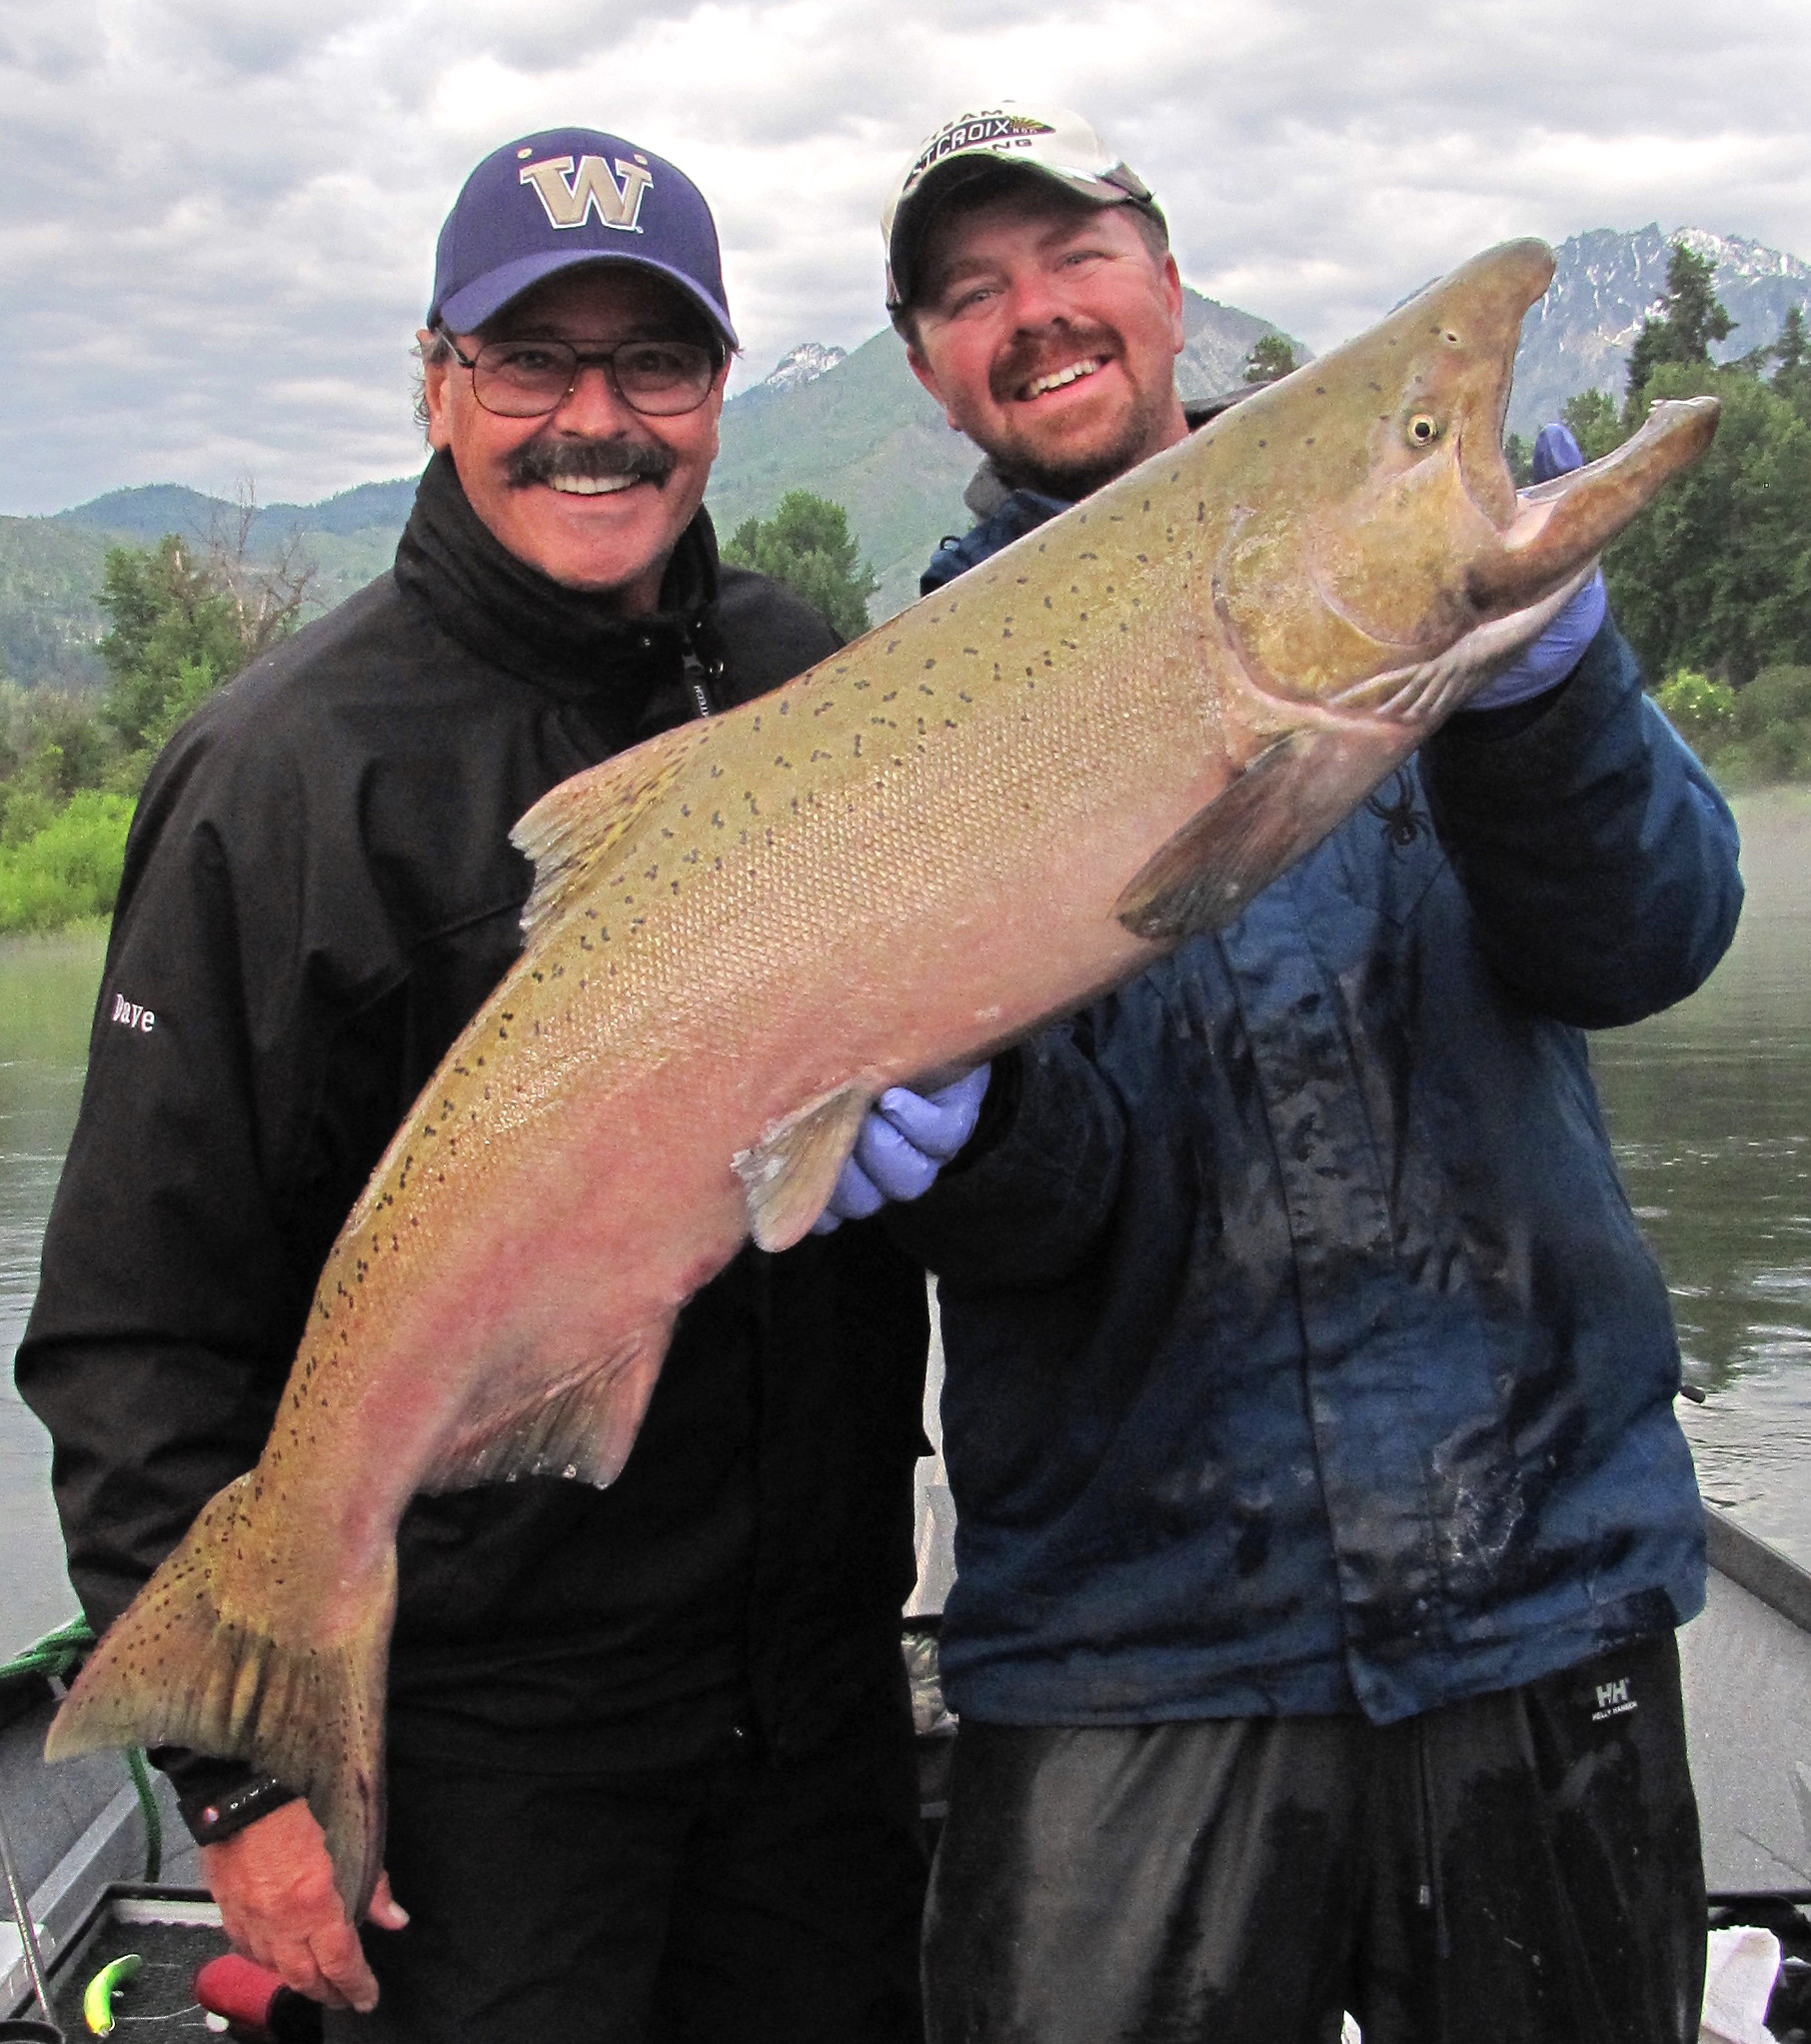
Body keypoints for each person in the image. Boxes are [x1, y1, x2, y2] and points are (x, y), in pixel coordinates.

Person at [838, 101, 1743, 2044]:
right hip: (1123, 1645)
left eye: (1077, 255)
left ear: (1166, 285)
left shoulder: (1414, 565)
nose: (1039, 313)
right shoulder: (899, 721)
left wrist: (1544, 689)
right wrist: (974, 1132)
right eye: (973, 291)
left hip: (1540, 1585)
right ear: (926, 371)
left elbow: (1650, 937)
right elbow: (1049, 1209)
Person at [16, 127, 929, 2044]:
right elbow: (132, 1340)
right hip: (484, 1772)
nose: (593, 422)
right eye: (533, 361)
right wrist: (247, 1788)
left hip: (818, 1732)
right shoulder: (277, 778)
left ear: (720, 395)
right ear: (436, 381)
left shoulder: (803, 678)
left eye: (653, 366)